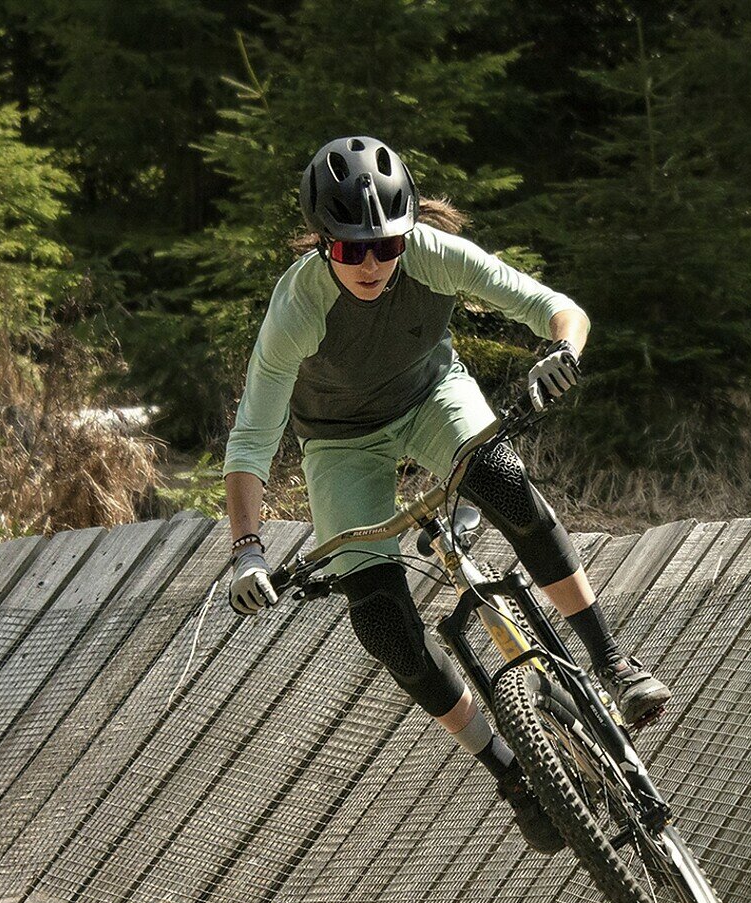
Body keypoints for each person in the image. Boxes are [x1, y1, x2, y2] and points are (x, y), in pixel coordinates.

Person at [220, 134, 668, 854]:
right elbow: (250, 441)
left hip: (431, 396)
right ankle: (511, 770)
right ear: (323, 244)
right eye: (351, 250)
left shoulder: (431, 255)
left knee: (505, 483)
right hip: (340, 441)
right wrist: (247, 550)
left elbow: (557, 308)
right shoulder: (297, 306)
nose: (372, 264)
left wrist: (563, 352)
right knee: (381, 621)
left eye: (386, 245)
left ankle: (613, 661)